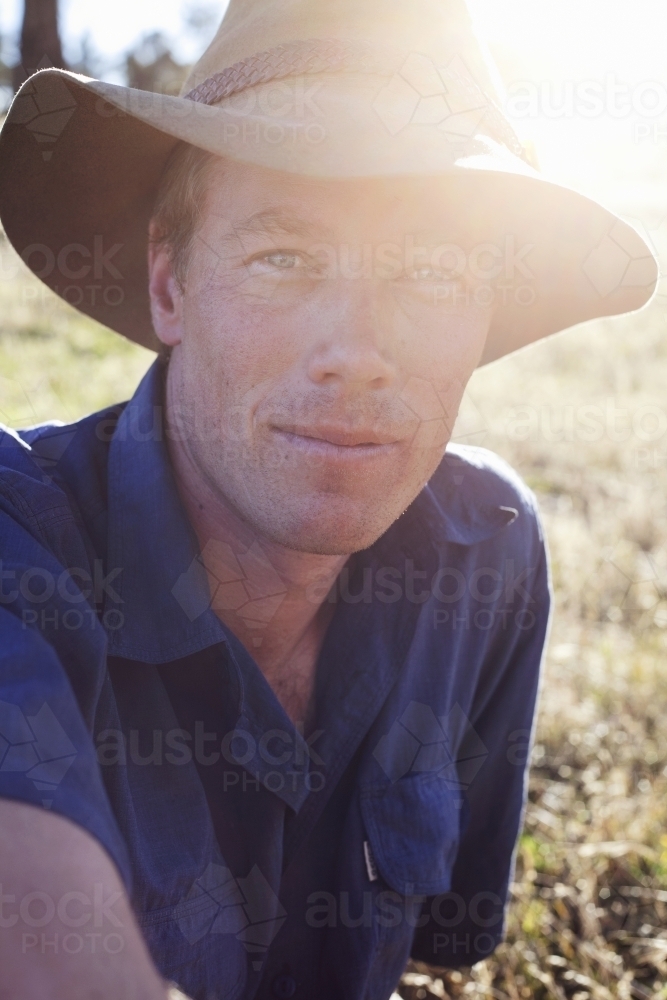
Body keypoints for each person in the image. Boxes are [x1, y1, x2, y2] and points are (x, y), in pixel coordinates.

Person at [0, 1, 657, 998]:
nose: (355, 351)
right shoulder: (22, 544)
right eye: (282, 258)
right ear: (170, 286)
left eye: (432, 271)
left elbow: (436, 947)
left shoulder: (488, 553)